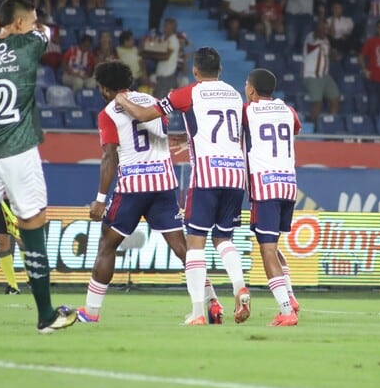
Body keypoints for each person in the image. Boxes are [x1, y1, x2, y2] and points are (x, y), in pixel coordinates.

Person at [0, 0, 78, 336]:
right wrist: (0, 21)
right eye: (32, 19)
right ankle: (46, 315)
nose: (36, 24)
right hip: (19, 151)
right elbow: (45, 32)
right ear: (21, 25)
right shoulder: (28, 45)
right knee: (33, 228)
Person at [80, 61, 223, 324]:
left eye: (101, 87)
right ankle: (212, 302)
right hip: (164, 185)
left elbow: (109, 157)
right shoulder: (153, 101)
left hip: (132, 188)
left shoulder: (108, 112)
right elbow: (159, 134)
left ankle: (91, 311)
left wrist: (100, 200)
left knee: (107, 245)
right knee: (183, 249)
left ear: (107, 88)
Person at [115, 47, 250, 326]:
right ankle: (240, 287)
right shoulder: (235, 94)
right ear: (221, 70)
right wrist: (186, 140)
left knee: (195, 245)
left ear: (195, 71)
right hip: (236, 174)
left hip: (207, 174)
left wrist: (122, 99)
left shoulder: (187, 93)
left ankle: (198, 312)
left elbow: (142, 115)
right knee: (224, 239)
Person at [243, 68, 302, 326]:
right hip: (288, 183)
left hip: (265, 185)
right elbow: (296, 129)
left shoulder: (247, 111)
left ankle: (286, 310)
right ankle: (289, 295)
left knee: (267, 249)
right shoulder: (288, 111)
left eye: (246, 84)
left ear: (251, 90)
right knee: (273, 245)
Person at [302, 21, 341, 124]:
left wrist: (334, 55)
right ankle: (314, 127)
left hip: (325, 75)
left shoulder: (326, 40)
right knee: (317, 103)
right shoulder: (311, 37)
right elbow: (316, 34)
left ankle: (331, 124)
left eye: (326, 28)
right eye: (323, 28)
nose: (325, 30)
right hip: (312, 76)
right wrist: (321, 15)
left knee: (335, 98)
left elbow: (329, 54)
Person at [0, 198, 24, 295]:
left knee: (23, 240)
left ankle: (32, 280)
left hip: (17, 200)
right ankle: (12, 286)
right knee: (2, 242)